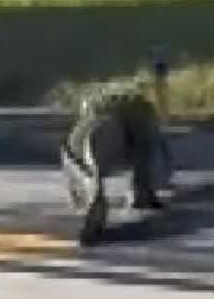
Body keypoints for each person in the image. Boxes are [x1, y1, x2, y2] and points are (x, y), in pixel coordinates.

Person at [60, 54, 176, 246]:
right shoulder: (140, 100)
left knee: (80, 152)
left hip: (100, 116)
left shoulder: (96, 99)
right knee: (149, 146)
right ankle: (142, 192)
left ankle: (91, 193)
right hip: (129, 117)